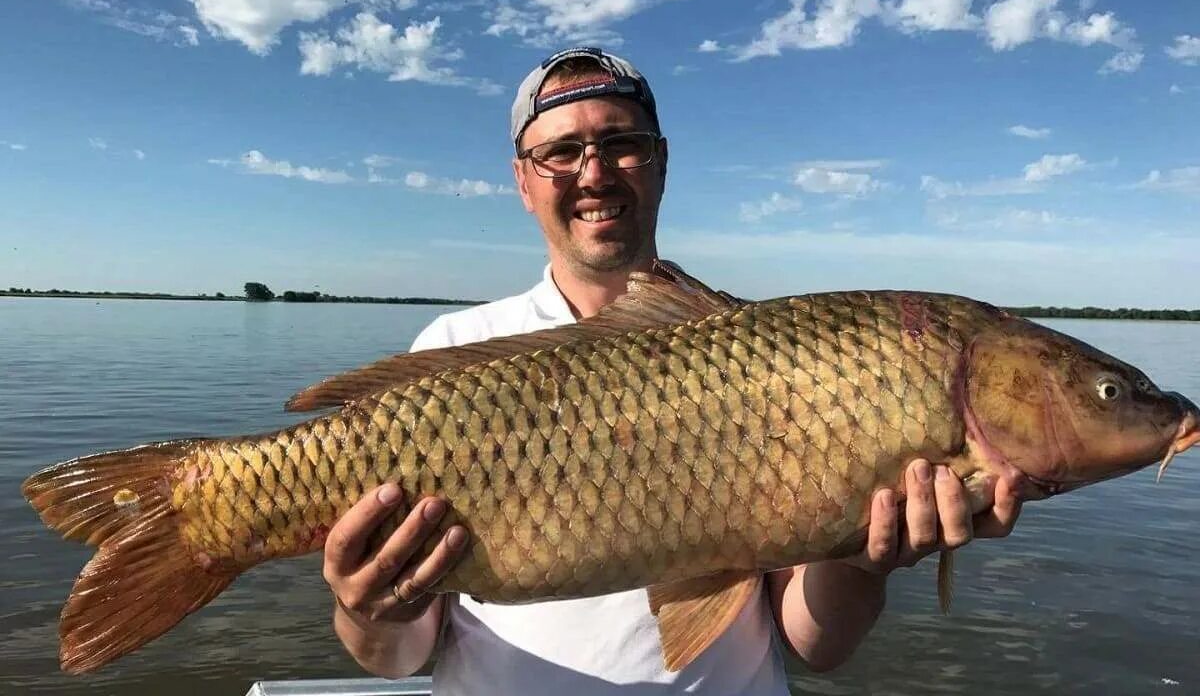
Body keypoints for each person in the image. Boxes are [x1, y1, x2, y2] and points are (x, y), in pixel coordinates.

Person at [323, 47, 1023, 693]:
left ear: (660, 162)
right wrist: (368, 608)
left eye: (620, 144)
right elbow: (399, 658)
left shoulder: (773, 357)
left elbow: (818, 644)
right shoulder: (451, 351)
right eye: (560, 152)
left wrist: (865, 559)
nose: (593, 172)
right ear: (523, 182)